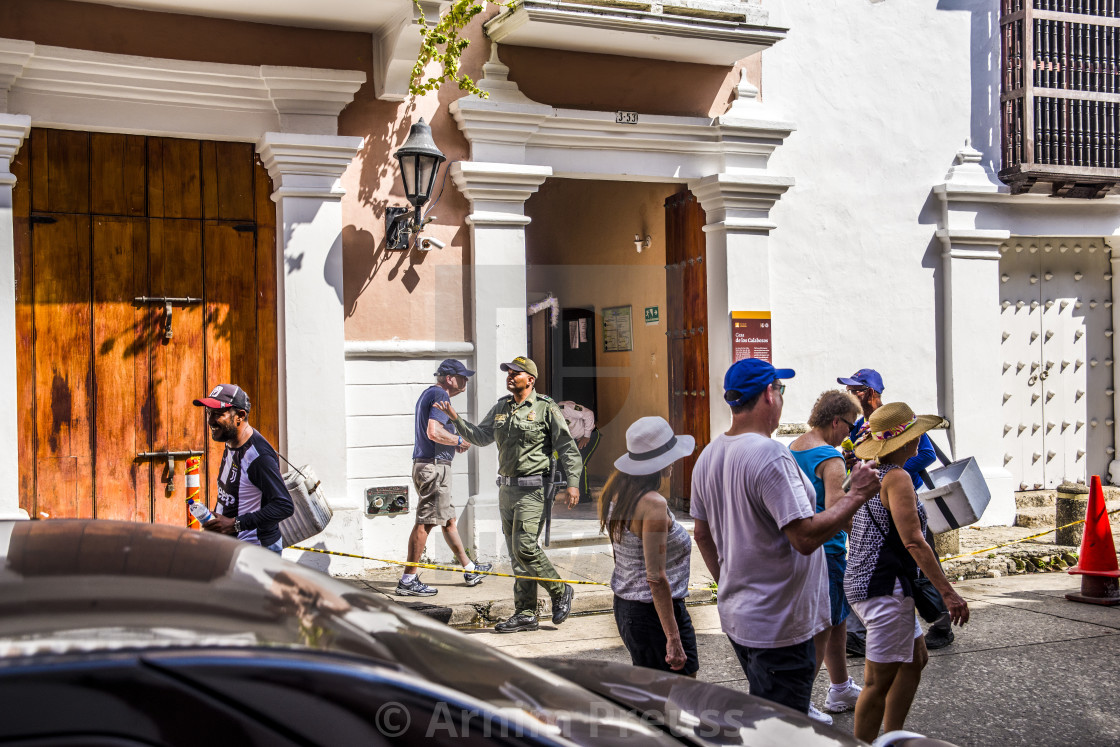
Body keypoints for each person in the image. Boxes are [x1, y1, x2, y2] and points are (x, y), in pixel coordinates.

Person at [690, 358, 880, 717]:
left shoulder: (708, 455)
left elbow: (702, 535)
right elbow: (805, 538)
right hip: (779, 626)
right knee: (784, 726)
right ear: (768, 394)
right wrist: (857, 495)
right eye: (781, 389)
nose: (781, 397)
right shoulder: (770, 454)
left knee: (767, 714)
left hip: (741, 616)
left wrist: (729, 583)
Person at [845, 402, 970, 742]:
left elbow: (846, 519)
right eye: (916, 434)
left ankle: (894, 737)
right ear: (904, 443)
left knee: (915, 659)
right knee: (876, 682)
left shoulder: (870, 473)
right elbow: (914, 541)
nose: (920, 439)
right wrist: (948, 593)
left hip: (871, 580)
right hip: (882, 586)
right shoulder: (897, 477)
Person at [435, 356, 582, 633]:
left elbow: (567, 447)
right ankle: (525, 613)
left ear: (531, 380)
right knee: (517, 555)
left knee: (525, 547)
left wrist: (573, 483)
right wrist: (456, 420)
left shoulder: (545, 408)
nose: (510, 376)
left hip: (534, 490)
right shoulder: (502, 407)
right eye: (509, 373)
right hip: (507, 489)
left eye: (517, 373)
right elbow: (480, 436)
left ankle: (560, 590)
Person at [837, 369, 955, 652]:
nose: (850, 395)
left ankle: (941, 621)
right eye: (848, 389)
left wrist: (891, 473)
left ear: (872, 393)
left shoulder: (897, 420)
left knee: (920, 561)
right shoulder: (860, 426)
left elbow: (925, 454)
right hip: (877, 507)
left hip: (904, 504)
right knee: (894, 563)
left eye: (856, 390)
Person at [600, 416, 698, 675]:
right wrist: (673, 637)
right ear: (662, 463)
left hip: (628, 605)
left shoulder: (617, 492)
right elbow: (655, 577)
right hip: (651, 611)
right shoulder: (653, 504)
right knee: (679, 695)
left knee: (655, 696)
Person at [789, 390, 864, 721]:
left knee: (837, 620)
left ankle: (841, 687)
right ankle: (801, 699)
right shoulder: (830, 457)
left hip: (801, 545)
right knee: (823, 626)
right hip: (829, 549)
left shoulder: (793, 447)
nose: (850, 435)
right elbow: (836, 509)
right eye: (850, 427)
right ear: (836, 421)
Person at [397, 359, 492, 597]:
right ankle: (408, 579)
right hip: (434, 468)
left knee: (448, 520)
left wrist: (451, 441)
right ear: (449, 378)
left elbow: (436, 432)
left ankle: (470, 569)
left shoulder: (430, 394)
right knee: (426, 522)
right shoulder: (441, 394)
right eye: (462, 377)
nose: (466, 381)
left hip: (430, 465)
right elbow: (433, 431)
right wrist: (458, 440)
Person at [192, 384, 293, 553]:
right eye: (208, 413)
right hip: (231, 548)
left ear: (240, 416)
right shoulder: (231, 442)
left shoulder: (258, 457)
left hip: (256, 552)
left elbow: (284, 505)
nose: (210, 421)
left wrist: (234, 524)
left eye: (218, 414)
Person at [557, 400, 601, 502]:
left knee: (580, 463)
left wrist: (586, 435)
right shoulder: (549, 420)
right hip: (574, 439)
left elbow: (589, 413)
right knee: (568, 463)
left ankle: (583, 495)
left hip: (589, 436)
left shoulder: (565, 408)